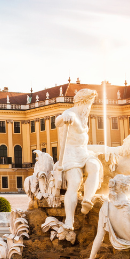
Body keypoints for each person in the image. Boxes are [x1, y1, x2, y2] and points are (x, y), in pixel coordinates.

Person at [54, 88, 103, 229]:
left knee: (95, 166)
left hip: (83, 152)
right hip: (70, 155)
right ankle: (69, 219)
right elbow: (58, 121)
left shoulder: (84, 116)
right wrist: (65, 117)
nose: (89, 107)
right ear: (82, 102)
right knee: (74, 182)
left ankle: (87, 200)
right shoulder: (71, 113)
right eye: (88, 103)